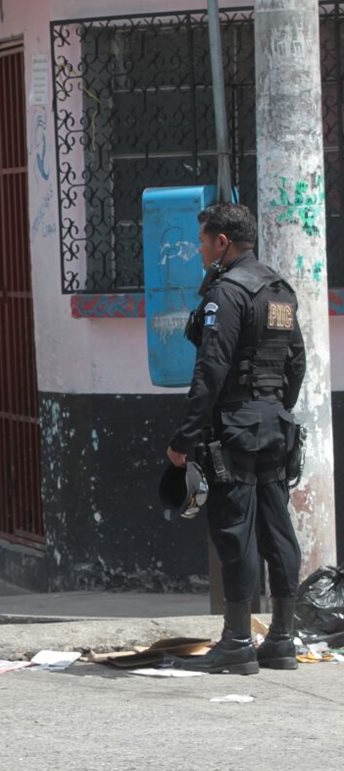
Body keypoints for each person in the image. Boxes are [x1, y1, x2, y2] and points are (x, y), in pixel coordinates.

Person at [166, 202, 306, 675]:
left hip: (234, 429)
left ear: (223, 242)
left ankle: (239, 641)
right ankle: (283, 640)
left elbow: (211, 369)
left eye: (205, 241)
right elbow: (297, 363)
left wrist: (184, 439)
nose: (202, 249)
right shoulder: (280, 290)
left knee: (235, 530)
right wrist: (275, 406)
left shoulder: (226, 294)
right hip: (275, 426)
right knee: (276, 525)